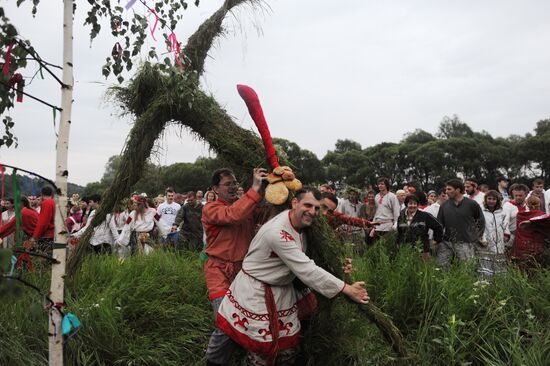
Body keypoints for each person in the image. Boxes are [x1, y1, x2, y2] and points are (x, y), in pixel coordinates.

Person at [214, 187, 369, 366]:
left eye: (317, 208)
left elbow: (312, 257)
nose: (313, 212)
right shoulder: (277, 232)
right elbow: (306, 268)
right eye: (308, 205)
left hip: (282, 290)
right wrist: (347, 288)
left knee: (287, 350)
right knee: (260, 351)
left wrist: (338, 264)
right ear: (295, 203)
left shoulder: (306, 227)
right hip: (256, 291)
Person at [203, 168, 269, 365]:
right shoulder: (211, 209)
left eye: (234, 183)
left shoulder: (245, 207)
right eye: (227, 184)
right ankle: (213, 362)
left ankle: (242, 358)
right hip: (218, 271)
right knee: (226, 322)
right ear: (215, 188)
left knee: (248, 319)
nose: (233, 187)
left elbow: (267, 214)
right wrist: (255, 187)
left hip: (244, 273)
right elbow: (233, 215)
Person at [436, 179, 485, 267]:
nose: (446, 192)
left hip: (466, 242)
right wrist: (437, 240)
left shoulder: (472, 204)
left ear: (458, 190)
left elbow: (481, 221)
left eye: (449, 189)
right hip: (446, 243)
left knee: (466, 270)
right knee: (442, 268)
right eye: (446, 189)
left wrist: (476, 237)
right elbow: (439, 224)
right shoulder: (444, 205)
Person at [396, 194, 443, 259]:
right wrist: (398, 243)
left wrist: (436, 240)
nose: (413, 205)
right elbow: (399, 233)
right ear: (406, 205)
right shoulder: (401, 217)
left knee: (422, 268)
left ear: (418, 205)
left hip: (423, 250)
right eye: (410, 203)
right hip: (405, 249)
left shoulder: (424, 215)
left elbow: (438, 226)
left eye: (415, 203)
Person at [509, 195, 547, 269]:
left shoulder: (519, 214)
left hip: (520, 244)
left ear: (527, 204)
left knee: (520, 268)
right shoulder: (541, 215)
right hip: (535, 246)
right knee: (534, 268)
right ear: (539, 204)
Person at [478, 190, 509, 276]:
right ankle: (485, 284)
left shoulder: (502, 212)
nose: (491, 201)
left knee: (499, 266)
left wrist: (506, 235)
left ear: (497, 200)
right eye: (489, 198)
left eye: (494, 199)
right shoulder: (481, 211)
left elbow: (505, 225)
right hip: (486, 242)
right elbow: (480, 227)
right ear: (485, 199)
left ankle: (499, 284)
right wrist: (482, 239)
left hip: (499, 242)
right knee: (486, 266)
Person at [369, 177, 400, 242]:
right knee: (377, 247)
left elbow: (396, 212)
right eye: (379, 184)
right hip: (377, 227)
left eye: (382, 184)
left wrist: (395, 226)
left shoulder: (392, 196)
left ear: (386, 185)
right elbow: (376, 211)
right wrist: (373, 224)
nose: (380, 185)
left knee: (387, 247)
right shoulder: (377, 196)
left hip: (388, 227)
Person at [30, 186, 56, 252]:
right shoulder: (53, 202)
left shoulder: (47, 203)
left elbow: (43, 223)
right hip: (54, 234)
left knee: (44, 258)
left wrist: (35, 236)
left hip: (48, 235)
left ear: (42, 194)